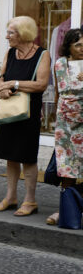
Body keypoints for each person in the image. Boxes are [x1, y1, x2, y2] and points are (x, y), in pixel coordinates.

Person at [0, 15, 51, 216]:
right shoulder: (10, 53)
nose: (6, 36)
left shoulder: (42, 55)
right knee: (10, 156)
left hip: (28, 113)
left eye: (11, 32)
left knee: (27, 157)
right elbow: (2, 77)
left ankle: (30, 200)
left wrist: (14, 84)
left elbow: (41, 84)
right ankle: (11, 197)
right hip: (9, 110)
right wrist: (2, 88)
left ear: (23, 34)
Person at [48, 28, 83, 225]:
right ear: (68, 46)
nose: (82, 48)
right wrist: (54, 114)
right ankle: (66, 209)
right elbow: (58, 92)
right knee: (67, 165)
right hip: (66, 124)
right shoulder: (60, 64)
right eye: (78, 45)